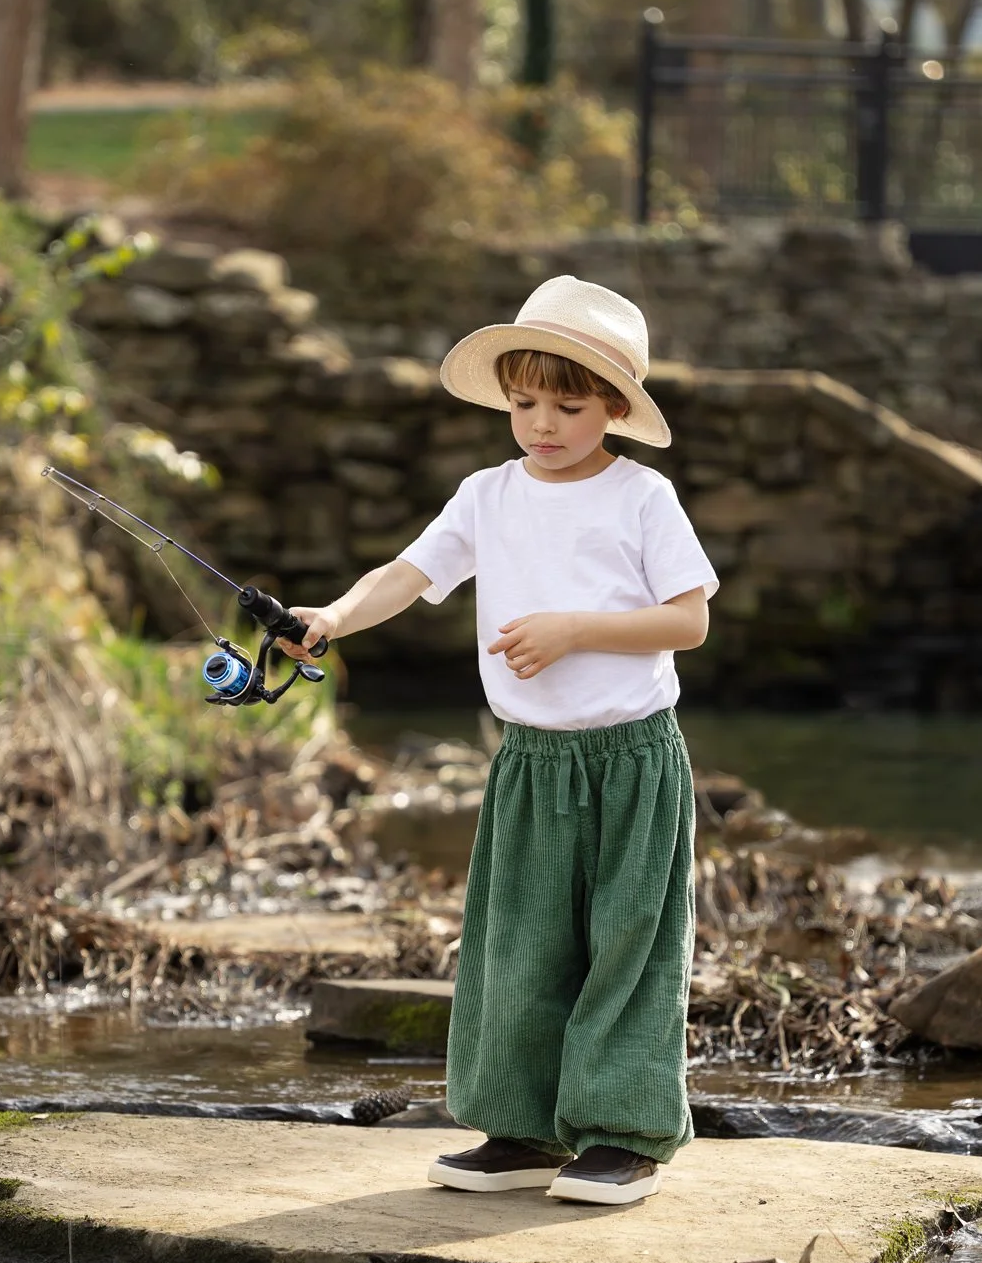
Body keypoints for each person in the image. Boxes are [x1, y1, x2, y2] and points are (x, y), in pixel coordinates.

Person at [286, 276, 717, 1207]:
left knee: (628, 944)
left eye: (568, 407)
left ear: (615, 408)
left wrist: (575, 630)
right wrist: (335, 617)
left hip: (633, 758)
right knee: (518, 944)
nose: (542, 425)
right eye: (524, 404)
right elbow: (408, 572)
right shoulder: (487, 495)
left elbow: (688, 623)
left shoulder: (643, 497)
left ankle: (622, 1137)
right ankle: (521, 1130)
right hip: (531, 763)